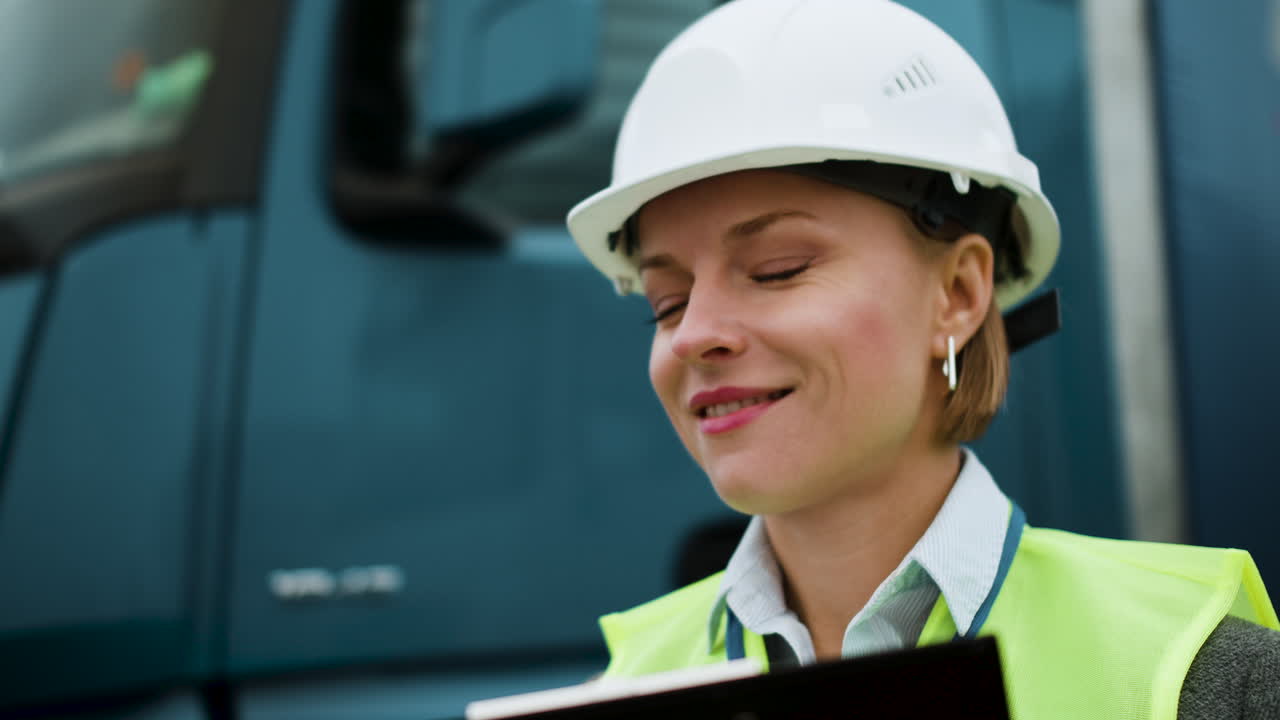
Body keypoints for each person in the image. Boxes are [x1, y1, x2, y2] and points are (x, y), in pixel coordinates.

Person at [563, 1, 1280, 718]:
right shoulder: (622, 686)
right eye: (666, 302)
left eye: (777, 269)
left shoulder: (1204, 672)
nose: (692, 334)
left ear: (957, 295)